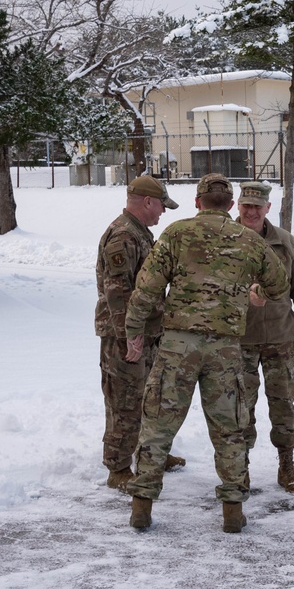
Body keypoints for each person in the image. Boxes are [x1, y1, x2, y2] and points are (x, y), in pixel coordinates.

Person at [123, 174, 290, 533]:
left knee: (157, 424)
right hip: (226, 348)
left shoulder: (176, 234)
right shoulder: (249, 240)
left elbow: (146, 288)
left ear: (198, 202)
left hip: (177, 346)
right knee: (229, 427)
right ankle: (232, 510)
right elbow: (279, 286)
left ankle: (142, 506)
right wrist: (254, 287)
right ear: (231, 205)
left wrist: (134, 333)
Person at [95, 175, 185, 491]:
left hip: (145, 335)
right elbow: (117, 293)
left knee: (148, 398)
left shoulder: (140, 233)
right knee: (125, 402)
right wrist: (129, 336)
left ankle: (147, 453)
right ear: (147, 201)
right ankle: (118, 468)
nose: (163, 212)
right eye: (162, 205)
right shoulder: (123, 237)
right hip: (126, 340)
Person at [235, 181, 294, 494]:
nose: (251, 211)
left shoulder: (285, 243)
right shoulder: (225, 240)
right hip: (238, 341)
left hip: (279, 338)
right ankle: (238, 467)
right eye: (246, 205)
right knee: (239, 407)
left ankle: (287, 463)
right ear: (237, 205)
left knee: (283, 405)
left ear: (268, 208)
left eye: (257, 206)